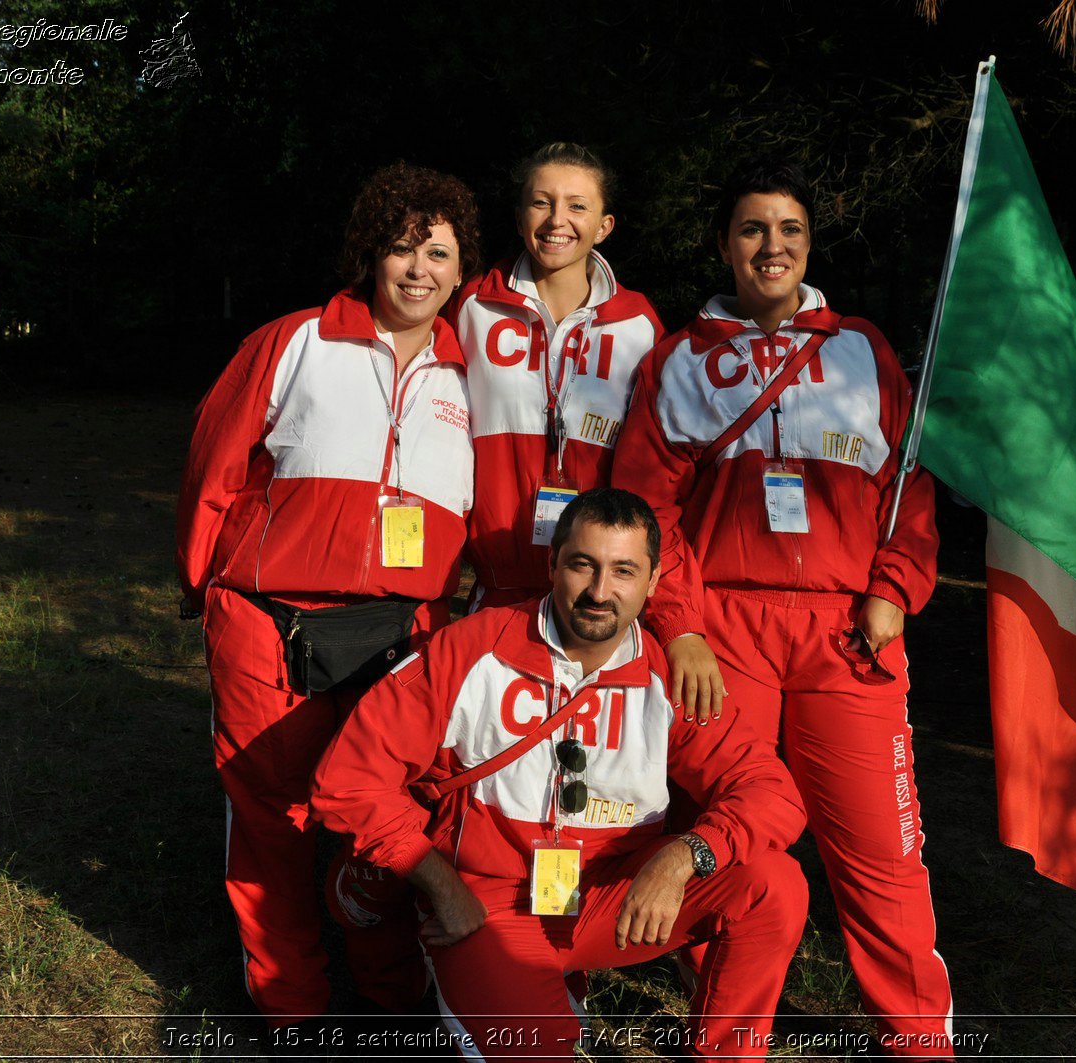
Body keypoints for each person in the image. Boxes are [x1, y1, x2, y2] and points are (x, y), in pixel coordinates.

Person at [612, 163, 954, 1058]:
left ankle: (920, 1043)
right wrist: (680, 623)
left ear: (810, 245)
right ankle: (726, 1040)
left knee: (882, 856)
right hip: (725, 633)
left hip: (847, 632)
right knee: (732, 836)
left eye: (791, 231)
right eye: (755, 230)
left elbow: (907, 488)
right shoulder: (681, 358)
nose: (774, 247)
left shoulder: (864, 350)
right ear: (725, 245)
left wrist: (892, 589)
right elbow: (648, 508)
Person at [311, 488, 809, 1060]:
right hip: (489, 903)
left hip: (610, 897)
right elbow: (347, 779)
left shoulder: (669, 674)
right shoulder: (471, 649)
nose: (600, 592)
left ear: (653, 583)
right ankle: (473, 979)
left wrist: (682, 857)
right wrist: (439, 885)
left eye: (624, 571)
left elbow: (771, 792)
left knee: (774, 885)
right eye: (582, 565)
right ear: (552, 566)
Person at [175, 163, 481, 1026]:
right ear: (368, 254)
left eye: (438, 252)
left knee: (389, 815)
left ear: (462, 272)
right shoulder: (295, 340)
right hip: (269, 621)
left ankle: (395, 999)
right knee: (271, 819)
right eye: (400, 248)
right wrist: (201, 584)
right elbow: (215, 459)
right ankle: (295, 1010)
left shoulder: (470, 378)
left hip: (405, 631)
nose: (417, 269)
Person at [450, 145, 666, 613]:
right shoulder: (472, 306)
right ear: (520, 214)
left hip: (595, 590)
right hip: (495, 585)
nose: (556, 220)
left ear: (605, 226)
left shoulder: (640, 325)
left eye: (577, 205)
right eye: (541, 202)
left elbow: (654, 466)